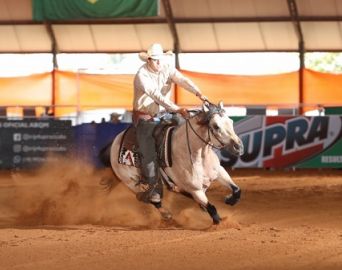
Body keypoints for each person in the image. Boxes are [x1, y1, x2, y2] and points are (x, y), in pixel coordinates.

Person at [133, 43, 207, 203]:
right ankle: (153, 188)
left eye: (160, 59)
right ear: (148, 60)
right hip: (145, 116)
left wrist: (198, 93)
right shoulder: (142, 75)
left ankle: (196, 168)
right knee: (148, 151)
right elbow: (156, 95)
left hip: (165, 112)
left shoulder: (166, 67)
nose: (159, 63)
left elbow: (182, 80)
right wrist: (177, 108)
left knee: (187, 129)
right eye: (155, 60)